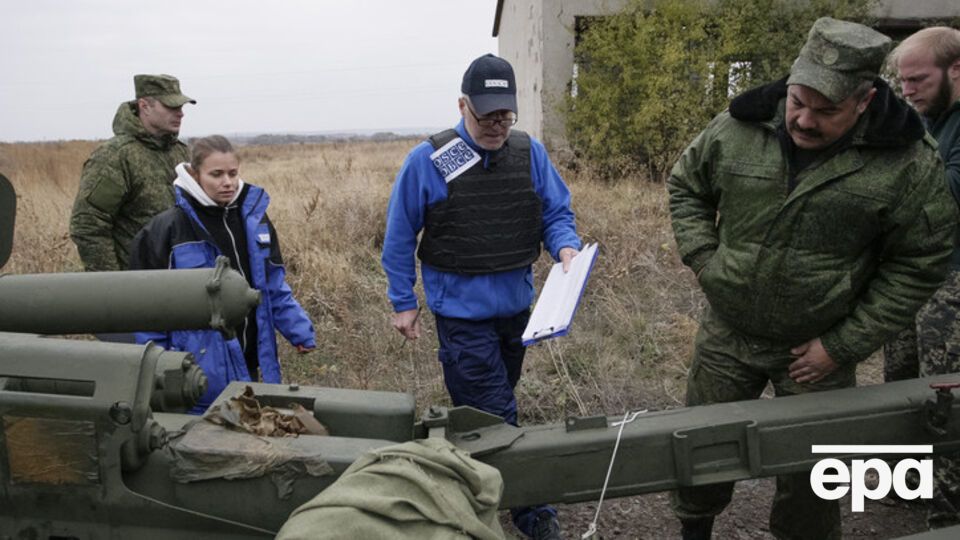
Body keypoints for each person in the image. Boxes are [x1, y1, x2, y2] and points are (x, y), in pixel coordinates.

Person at [667, 17, 956, 540]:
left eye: (826, 111)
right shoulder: (739, 126)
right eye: (797, 101)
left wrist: (842, 345)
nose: (803, 120)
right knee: (702, 451)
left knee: (814, 478)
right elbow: (687, 184)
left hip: (818, 350)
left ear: (865, 101)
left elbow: (920, 261)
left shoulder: (906, 162)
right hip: (729, 333)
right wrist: (706, 260)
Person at [380, 54, 580, 540]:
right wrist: (403, 301)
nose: (497, 126)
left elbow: (556, 212)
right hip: (461, 318)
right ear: (462, 106)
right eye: (487, 116)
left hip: (517, 312)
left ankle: (467, 477)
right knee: (497, 415)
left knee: (492, 408)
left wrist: (565, 246)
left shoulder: (528, 153)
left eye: (505, 116)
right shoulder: (429, 160)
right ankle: (530, 510)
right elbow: (400, 236)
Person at [130, 135, 316, 412]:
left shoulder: (255, 221)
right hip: (197, 371)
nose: (227, 182)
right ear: (195, 174)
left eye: (233, 173)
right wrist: (158, 369)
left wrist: (299, 331)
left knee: (251, 424)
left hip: (251, 358)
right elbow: (148, 308)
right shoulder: (166, 230)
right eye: (216, 174)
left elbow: (272, 286)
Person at [883, 26, 960, 529]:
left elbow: (946, 199)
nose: (907, 90)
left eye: (918, 80)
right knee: (899, 385)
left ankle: (949, 512)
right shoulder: (927, 120)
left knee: (944, 394)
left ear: (956, 70)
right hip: (910, 275)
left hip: (952, 282)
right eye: (902, 81)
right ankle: (908, 485)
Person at [70, 74, 195, 272]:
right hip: (137, 281)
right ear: (144, 106)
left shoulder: (181, 151)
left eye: (181, 107)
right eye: (171, 107)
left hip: (180, 276)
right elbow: (89, 225)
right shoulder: (115, 156)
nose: (180, 114)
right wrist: (113, 282)